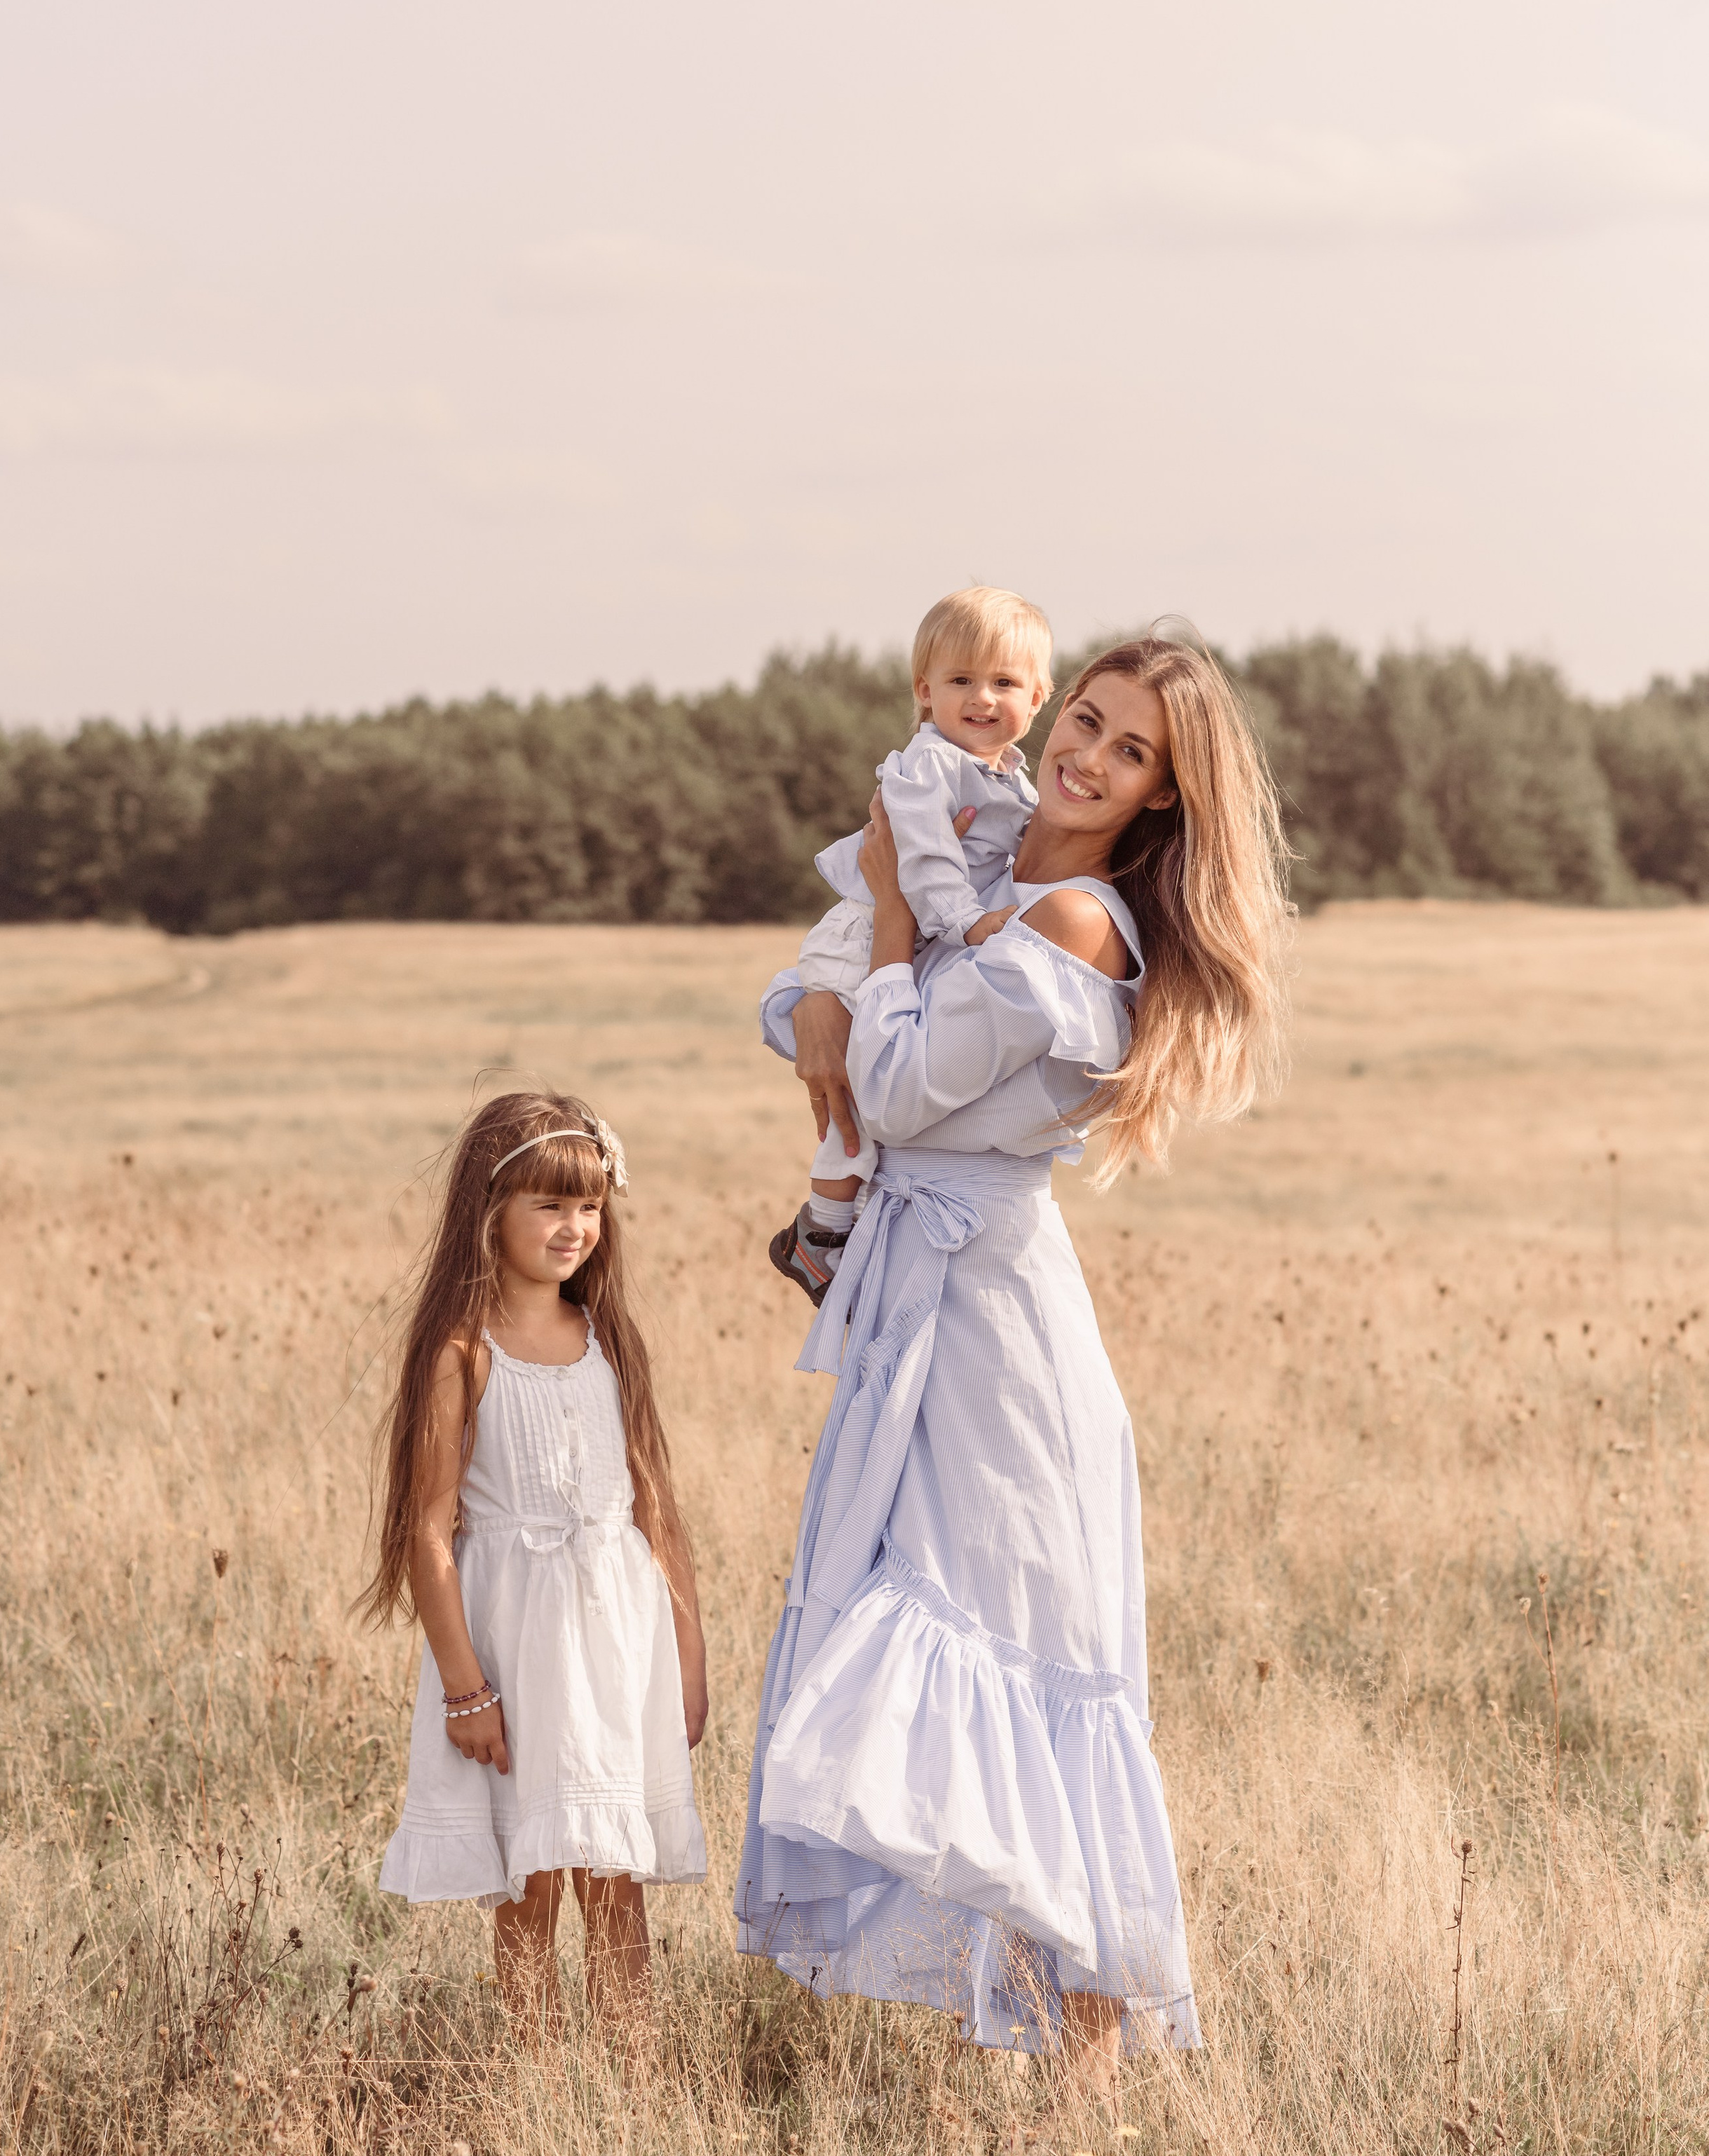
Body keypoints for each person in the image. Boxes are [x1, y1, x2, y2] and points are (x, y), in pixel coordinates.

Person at [738, 634, 1291, 2089]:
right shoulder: (968, 848)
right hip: (912, 1309)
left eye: (1129, 755)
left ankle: (1085, 2088)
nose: (1085, 755)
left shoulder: (1074, 924)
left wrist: (870, 950)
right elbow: (806, 1005)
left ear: (1160, 801)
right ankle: (1040, 2068)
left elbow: (896, 1075)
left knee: (1031, 1680)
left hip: (996, 1338)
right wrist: (836, 977)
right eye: (1087, 719)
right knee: (920, 1639)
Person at [367, 1089, 707, 2032]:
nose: (574, 1227)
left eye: (590, 1204)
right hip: (516, 1645)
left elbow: (658, 1513)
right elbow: (428, 1533)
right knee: (531, 1876)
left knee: (615, 1873)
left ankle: (628, 2086)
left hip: (616, 1640)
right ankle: (537, 2080)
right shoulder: (462, 1353)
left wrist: (689, 1651)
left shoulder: (609, 1341)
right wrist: (464, 1686)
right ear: (489, 1212)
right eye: (548, 1205)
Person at [770, 585, 1053, 1304]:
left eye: (1004, 682)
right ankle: (823, 1231)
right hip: (870, 932)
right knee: (860, 1091)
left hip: (912, 934)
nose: (981, 697)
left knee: (875, 1081)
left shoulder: (1012, 780)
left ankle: (835, 1222)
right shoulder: (928, 765)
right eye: (960, 680)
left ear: (1038, 695)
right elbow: (922, 859)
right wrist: (968, 922)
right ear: (925, 691)